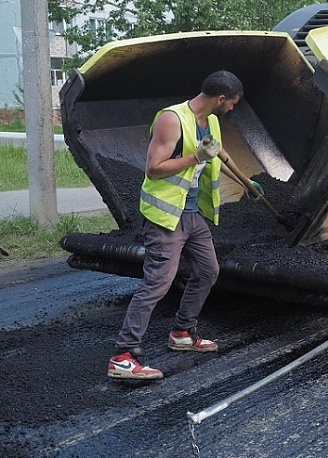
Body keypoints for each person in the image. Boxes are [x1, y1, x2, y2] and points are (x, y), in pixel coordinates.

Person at [107, 70, 262, 380]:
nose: (231, 109)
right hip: (166, 217)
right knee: (157, 283)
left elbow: (218, 153)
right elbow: (153, 169)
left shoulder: (211, 121)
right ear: (220, 99)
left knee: (208, 270)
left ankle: (182, 333)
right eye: (231, 104)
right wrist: (194, 157)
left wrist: (248, 183)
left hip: (192, 215)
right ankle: (123, 355)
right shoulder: (171, 119)